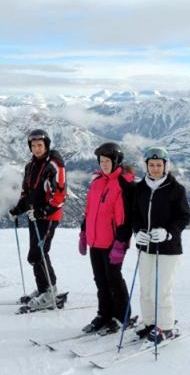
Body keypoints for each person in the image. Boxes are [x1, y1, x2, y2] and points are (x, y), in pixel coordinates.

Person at [130, 146, 190, 344]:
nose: (155, 168)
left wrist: (168, 233)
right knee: (146, 288)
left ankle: (165, 327)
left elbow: (184, 217)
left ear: (166, 166)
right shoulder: (139, 189)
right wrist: (137, 231)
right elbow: (135, 216)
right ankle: (149, 323)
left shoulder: (175, 189)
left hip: (168, 249)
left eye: (159, 165)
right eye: (151, 165)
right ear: (146, 166)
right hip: (145, 247)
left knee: (161, 289)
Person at [79, 142, 134, 335]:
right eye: (101, 161)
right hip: (95, 241)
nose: (103, 164)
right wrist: (84, 232)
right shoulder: (97, 182)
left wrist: (121, 242)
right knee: (100, 280)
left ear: (116, 161)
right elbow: (89, 210)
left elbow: (125, 218)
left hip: (113, 243)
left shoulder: (122, 184)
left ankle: (122, 316)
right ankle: (105, 313)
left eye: (107, 161)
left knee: (114, 279)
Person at [8, 129, 67, 311]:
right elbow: (28, 192)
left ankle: (49, 292)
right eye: (33, 146)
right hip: (35, 215)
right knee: (37, 254)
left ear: (46, 145)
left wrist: (43, 211)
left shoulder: (54, 165)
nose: (36, 149)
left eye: (40, 145)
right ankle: (45, 289)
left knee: (38, 253)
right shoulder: (31, 166)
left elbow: (60, 194)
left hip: (48, 216)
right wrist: (19, 208)